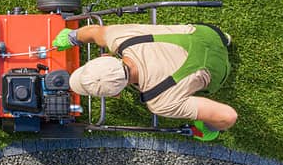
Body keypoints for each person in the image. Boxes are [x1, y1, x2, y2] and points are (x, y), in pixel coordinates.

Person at [52, 23, 237, 140]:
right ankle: (225, 39)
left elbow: (228, 116)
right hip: (209, 33)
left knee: (212, 121)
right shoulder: (121, 38)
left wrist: (210, 127)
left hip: (219, 71)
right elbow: (94, 32)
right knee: (209, 37)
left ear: (116, 93)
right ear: (106, 57)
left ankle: (208, 128)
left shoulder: (160, 102)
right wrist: (72, 37)